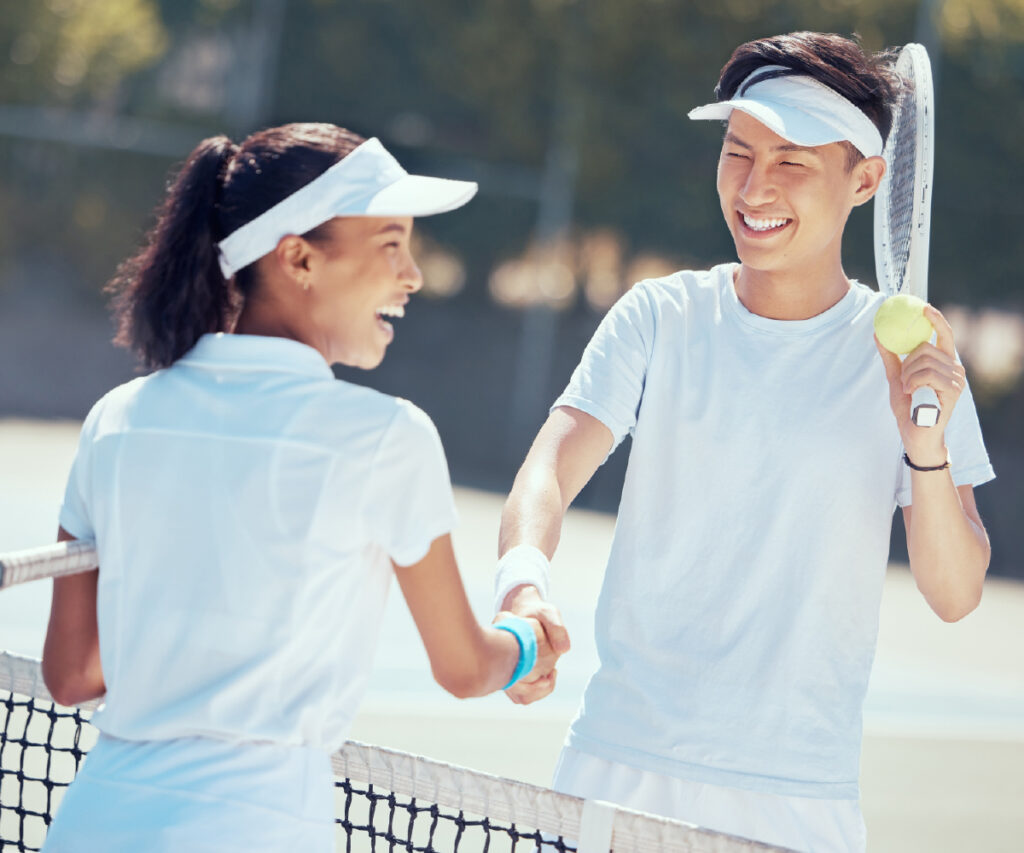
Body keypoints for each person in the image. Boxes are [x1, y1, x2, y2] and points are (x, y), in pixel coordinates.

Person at [494, 32, 994, 853]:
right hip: (616, 770)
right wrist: (523, 583)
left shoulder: (913, 360)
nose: (756, 186)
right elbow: (549, 466)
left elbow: (954, 592)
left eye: (792, 161)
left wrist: (923, 446)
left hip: (796, 798)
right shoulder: (659, 316)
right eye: (739, 153)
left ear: (865, 179)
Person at [40, 123, 558, 852]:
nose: (412, 274)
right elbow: (467, 666)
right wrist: (529, 643)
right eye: (389, 246)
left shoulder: (115, 419)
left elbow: (71, 673)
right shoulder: (388, 437)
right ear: (298, 258)